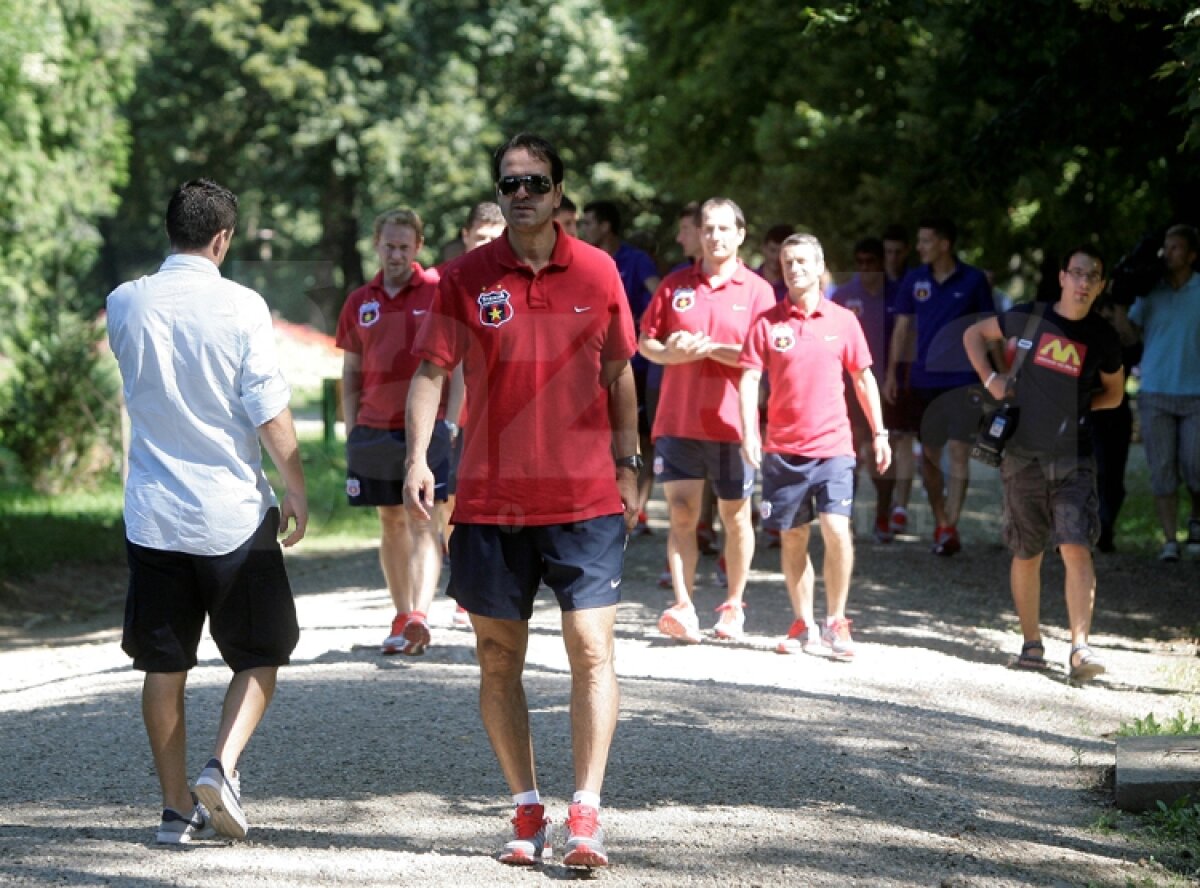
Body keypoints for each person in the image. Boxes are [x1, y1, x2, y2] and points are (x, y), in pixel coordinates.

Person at [404, 133, 638, 868]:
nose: (523, 193)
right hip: (489, 500)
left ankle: (587, 813)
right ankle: (527, 805)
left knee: (591, 650)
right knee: (498, 657)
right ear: (499, 194)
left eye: (536, 182)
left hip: (584, 497)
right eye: (510, 184)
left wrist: (632, 460)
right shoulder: (466, 276)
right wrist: (418, 456)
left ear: (560, 192)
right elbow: (431, 370)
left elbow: (621, 370)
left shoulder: (599, 272)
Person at [106, 178, 307, 843]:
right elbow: (268, 411)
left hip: (154, 515)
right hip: (232, 516)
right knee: (261, 652)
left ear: (171, 229)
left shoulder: (124, 303)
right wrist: (296, 487)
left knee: (164, 667)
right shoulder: (243, 306)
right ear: (223, 237)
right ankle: (221, 766)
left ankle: (171, 813)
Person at [962, 246, 1124, 681]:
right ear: (1062, 278)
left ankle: (1080, 649)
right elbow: (973, 335)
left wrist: (1076, 408)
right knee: (1027, 551)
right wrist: (991, 379)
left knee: (1076, 545)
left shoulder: (1102, 337)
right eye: (1076, 273)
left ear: (1101, 285)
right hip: (1021, 456)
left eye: (1092, 276)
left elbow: (1114, 392)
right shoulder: (1029, 317)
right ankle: (1032, 645)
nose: (1084, 282)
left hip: (1074, 457)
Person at [741, 234, 890, 658]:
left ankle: (837, 621)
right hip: (783, 449)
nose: (794, 269)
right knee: (793, 538)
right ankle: (803, 621)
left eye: (803, 261)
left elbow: (863, 378)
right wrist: (750, 431)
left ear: (820, 266)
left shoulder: (844, 320)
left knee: (837, 530)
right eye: (788, 262)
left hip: (834, 446)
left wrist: (879, 433)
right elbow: (750, 378)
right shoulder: (767, 322)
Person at [639, 197, 777, 642]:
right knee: (681, 514)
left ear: (740, 234)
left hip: (732, 425)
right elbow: (646, 342)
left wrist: (708, 348)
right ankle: (682, 604)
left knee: (736, 516)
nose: (714, 236)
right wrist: (671, 353)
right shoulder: (675, 285)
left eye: (723, 228)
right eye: (707, 228)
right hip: (678, 421)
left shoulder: (758, 291)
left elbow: (765, 356)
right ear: (697, 234)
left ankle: (733, 605)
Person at [336, 208, 464, 655]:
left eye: (404, 247)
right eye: (389, 245)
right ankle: (401, 613)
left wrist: (450, 418)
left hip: (427, 432)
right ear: (377, 243)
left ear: (418, 248)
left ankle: (419, 617)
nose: (395, 254)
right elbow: (350, 372)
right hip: (373, 429)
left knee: (424, 518)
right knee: (390, 521)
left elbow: (458, 364)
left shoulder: (436, 292)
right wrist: (352, 427)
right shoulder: (359, 301)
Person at [884, 218, 996, 555]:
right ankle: (939, 518)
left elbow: (989, 330)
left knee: (960, 452)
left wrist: (995, 376)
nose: (919, 248)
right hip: (924, 381)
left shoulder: (974, 280)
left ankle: (950, 526)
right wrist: (891, 374)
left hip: (964, 379)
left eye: (925, 241)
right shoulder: (914, 280)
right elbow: (902, 330)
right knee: (930, 458)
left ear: (944, 244)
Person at [1116, 224, 1200, 561]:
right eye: (1166, 247)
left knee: (1196, 467)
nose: (1168, 254)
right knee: (1162, 469)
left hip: (1195, 394)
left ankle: (1195, 527)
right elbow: (1130, 337)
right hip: (1155, 392)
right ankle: (1169, 540)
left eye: (1177, 247)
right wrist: (1119, 306)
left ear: (1192, 255)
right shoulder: (1150, 291)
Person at [440, 201, 506, 627]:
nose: (484, 245)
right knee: (449, 501)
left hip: (498, 414)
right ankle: (462, 574)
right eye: (478, 237)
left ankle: (488, 579)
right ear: (465, 236)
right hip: (455, 412)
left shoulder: (508, 282)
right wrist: (448, 416)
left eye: (492, 238)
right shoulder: (451, 280)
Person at [578, 200, 662, 536]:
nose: (583, 229)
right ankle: (605, 503)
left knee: (640, 436)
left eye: (589, 222)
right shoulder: (582, 260)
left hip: (636, 364)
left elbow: (660, 296)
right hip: (592, 366)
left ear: (606, 226)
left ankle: (638, 509)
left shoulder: (636, 260)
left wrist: (642, 325)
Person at [832, 237, 902, 542]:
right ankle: (843, 518)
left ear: (881, 263)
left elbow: (906, 338)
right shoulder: (844, 294)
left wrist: (897, 376)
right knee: (851, 452)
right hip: (848, 386)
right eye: (859, 262)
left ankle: (883, 516)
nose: (865, 268)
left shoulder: (897, 293)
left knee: (882, 454)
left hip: (886, 385)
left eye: (870, 262)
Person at [880, 224, 918, 536]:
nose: (892, 257)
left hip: (906, 371)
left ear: (906, 251)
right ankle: (884, 501)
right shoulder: (873, 283)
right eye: (887, 251)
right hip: (873, 370)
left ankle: (901, 507)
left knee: (904, 439)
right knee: (881, 441)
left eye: (897, 251)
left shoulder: (916, 281)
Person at [754, 223, 795, 302]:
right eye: (772, 250)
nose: (776, 257)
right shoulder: (750, 281)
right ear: (763, 248)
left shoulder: (794, 286)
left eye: (781, 252)